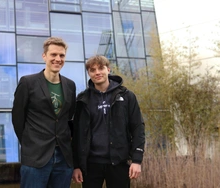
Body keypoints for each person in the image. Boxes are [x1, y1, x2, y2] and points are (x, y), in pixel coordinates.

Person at [72, 55, 145, 188]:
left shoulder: (126, 96)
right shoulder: (82, 100)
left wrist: (137, 160)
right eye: (92, 70)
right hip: (90, 164)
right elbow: (76, 134)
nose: (97, 72)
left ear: (108, 70)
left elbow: (138, 128)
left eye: (101, 68)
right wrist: (76, 165)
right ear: (89, 73)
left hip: (118, 162)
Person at [12, 37, 76, 188]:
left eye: (61, 55)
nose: (58, 59)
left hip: (63, 158)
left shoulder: (70, 85)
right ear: (44, 56)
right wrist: (30, 144)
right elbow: (17, 119)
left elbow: (69, 118)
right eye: (53, 55)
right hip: (36, 157)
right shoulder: (28, 83)